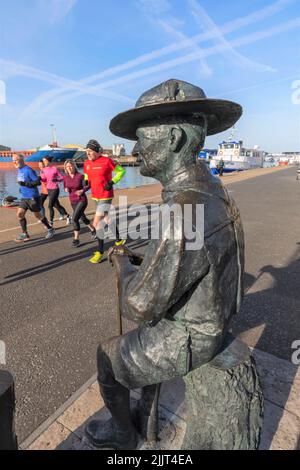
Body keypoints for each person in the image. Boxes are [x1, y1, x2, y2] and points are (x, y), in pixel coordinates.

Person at [85, 79, 246, 449]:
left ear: (173, 139)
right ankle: (147, 413)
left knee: (108, 355)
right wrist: (149, 263)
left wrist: (125, 266)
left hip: (194, 335)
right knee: (147, 336)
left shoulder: (183, 210)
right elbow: (192, 259)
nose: (135, 149)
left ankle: (123, 435)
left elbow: (140, 305)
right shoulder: (217, 190)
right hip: (216, 319)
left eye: (142, 138)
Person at [83, 139, 126, 264]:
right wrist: (86, 181)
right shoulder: (86, 163)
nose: (88, 153)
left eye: (90, 151)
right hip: (95, 196)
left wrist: (112, 182)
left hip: (106, 195)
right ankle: (119, 239)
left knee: (97, 224)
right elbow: (87, 174)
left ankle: (100, 252)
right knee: (107, 220)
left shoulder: (107, 161)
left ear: (96, 151)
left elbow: (121, 171)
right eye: (87, 151)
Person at [12, 154, 55, 242]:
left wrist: (26, 185)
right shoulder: (20, 170)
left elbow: (37, 182)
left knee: (38, 215)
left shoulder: (29, 170)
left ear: (21, 160)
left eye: (16, 160)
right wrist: (21, 188)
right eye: (13, 160)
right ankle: (25, 234)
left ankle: (50, 229)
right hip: (24, 197)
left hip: (33, 197)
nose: (14, 162)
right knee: (20, 214)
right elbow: (22, 181)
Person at [63, 159, 96, 247]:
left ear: (74, 166)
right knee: (83, 218)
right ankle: (93, 230)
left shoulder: (80, 176)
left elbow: (88, 185)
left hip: (81, 200)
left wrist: (82, 190)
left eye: (70, 166)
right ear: (65, 168)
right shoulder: (65, 177)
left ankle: (76, 239)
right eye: (67, 166)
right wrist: (66, 189)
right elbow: (65, 186)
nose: (69, 168)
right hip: (72, 201)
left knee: (74, 219)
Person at [40, 156, 71, 226]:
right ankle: (68, 216)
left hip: (55, 189)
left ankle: (51, 223)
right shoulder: (43, 170)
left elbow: (62, 177)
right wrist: (40, 178)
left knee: (50, 206)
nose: (44, 162)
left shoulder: (54, 169)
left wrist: (57, 180)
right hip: (48, 189)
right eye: (43, 161)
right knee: (57, 205)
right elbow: (44, 180)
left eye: (45, 161)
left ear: (49, 161)